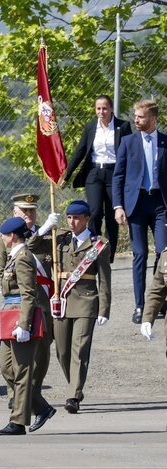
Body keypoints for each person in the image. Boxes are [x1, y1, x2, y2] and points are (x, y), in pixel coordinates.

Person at [0, 193, 55, 410]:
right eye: (24, 211)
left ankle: (31, 395)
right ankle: (21, 397)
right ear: (15, 213)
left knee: (41, 354)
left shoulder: (49, 234)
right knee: (11, 363)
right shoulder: (7, 237)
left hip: (43, 301)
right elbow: (1, 272)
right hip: (15, 305)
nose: (29, 214)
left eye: (32, 211)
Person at [51, 200, 112, 414]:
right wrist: (45, 229)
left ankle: (73, 396)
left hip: (86, 302)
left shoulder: (99, 244)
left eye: (76, 218)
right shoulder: (58, 241)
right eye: (69, 217)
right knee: (62, 352)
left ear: (86, 219)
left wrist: (104, 308)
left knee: (79, 351)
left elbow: (104, 279)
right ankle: (74, 386)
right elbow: (32, 247)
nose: (72, 222)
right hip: (62, 303)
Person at [113, 99, 167, 324]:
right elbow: (118, 176)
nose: (135, 119)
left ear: (153, 118)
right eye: (135, 115)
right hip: (136, 204)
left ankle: (159, 299)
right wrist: (118, 206)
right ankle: (139, 305)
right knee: (140, 254)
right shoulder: (128, 142)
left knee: (163, 253)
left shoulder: (165, 141)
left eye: (140, 116)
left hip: (160, 204)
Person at [62, 95, 132, 261]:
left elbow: (130, 152)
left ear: (111, 109)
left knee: (111, 214)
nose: (102, 112)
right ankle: (92, 250)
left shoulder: (123, 126)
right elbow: (80, 151)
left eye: (105, 108)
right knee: (94, 212)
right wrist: (67, 175)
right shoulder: (91, 127)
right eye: (98, 108)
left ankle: (108, 255)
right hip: (94, 172)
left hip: (115, 173)